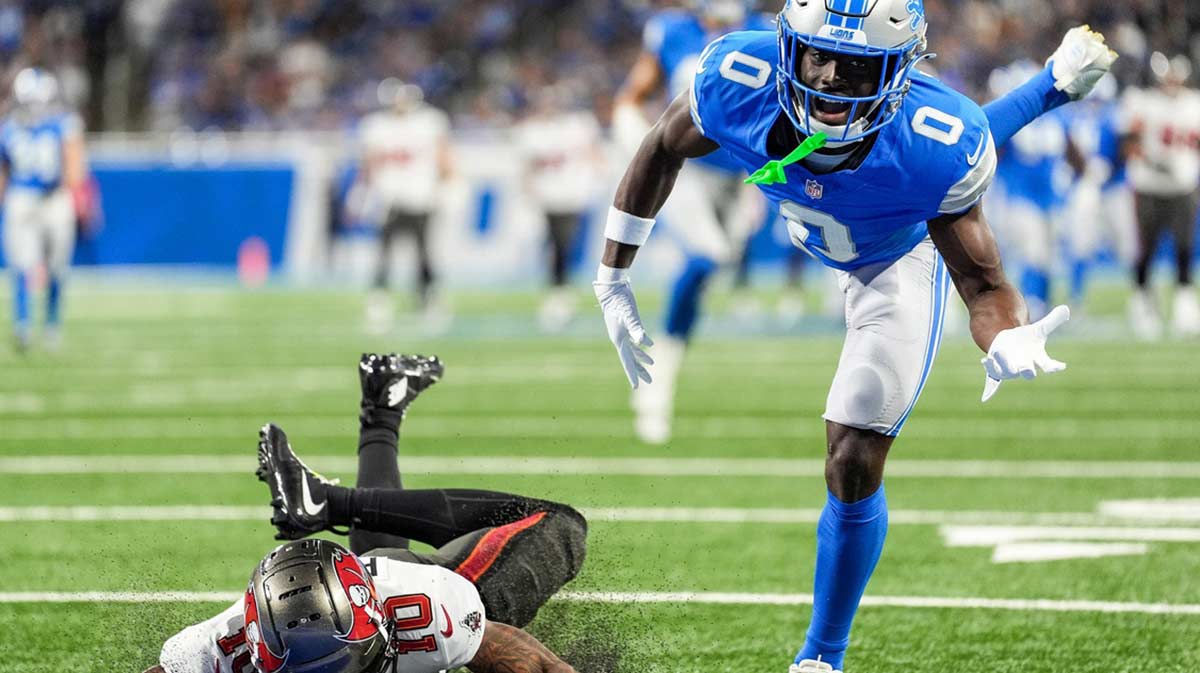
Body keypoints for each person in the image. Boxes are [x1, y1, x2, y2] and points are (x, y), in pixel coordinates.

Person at [591, 1, 1115, 670]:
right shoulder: (738, 75)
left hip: (891, 258)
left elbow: (982, 284)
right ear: (788, 49)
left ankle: (821, 656)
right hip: (819, 226)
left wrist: (1005, 334)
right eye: (817, 57)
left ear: (896, 71)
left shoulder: (936, 141)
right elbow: (661, 145)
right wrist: (613, 276)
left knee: (855, 450)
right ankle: (1051, 84)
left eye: (858, 66)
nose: (830, 78)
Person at [147, 354, 587, 673]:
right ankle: (381, 410)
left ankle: (332, 498)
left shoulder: (433, 614)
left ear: (384, 629)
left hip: (417, 591)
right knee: (386, 554)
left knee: (561, 528)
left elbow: (540, 666)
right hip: (387, 586)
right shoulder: (216, 651)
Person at [612, 0, 775, 444]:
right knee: (706, 260)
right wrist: (635, 135)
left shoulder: (766, 30)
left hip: (743, 173)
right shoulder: (672, 31)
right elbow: (632, 96)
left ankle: (664, 363)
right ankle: (657, 381)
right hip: (688, 170)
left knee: (713, 269)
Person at [0, 67, 90, 353]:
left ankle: (47, 325)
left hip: (52, 197)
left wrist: (76, 192)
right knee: (22, 265)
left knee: (55, 267)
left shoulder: (62, 125)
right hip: (24, 196)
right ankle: (25, 325)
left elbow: (74, 167)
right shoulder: (10, 127)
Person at [353, 80, 453, 334]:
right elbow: (369, 163)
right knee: (384, 251)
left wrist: (447, 186)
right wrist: (362, 192)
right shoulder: (376, 126)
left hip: (421, 196)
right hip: (389, 197)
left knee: (424, 252)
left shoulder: (429, 122)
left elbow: (444, 157)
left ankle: (427, 298)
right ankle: (380, 300)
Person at [514, 86, 605, 332]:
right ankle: (559, 293)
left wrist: (596, 179)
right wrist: (527, 194)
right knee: (553, 246)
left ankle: (561, 294)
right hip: (546, 198)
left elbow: (595, 155)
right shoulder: (532, 132)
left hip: (572, 196)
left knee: (563, 246)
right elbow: (528, 168)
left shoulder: (578, 126)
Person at [1122, 52, 1200, 339]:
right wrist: (1156, 161)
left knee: (1184, 247)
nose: (1171, 82)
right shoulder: (1144, 103)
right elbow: (1128, 144)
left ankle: (1185, 305)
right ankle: (1142, 302)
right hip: (1148, 186)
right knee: (1146, 249)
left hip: (1183, 187)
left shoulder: (1195, 104)